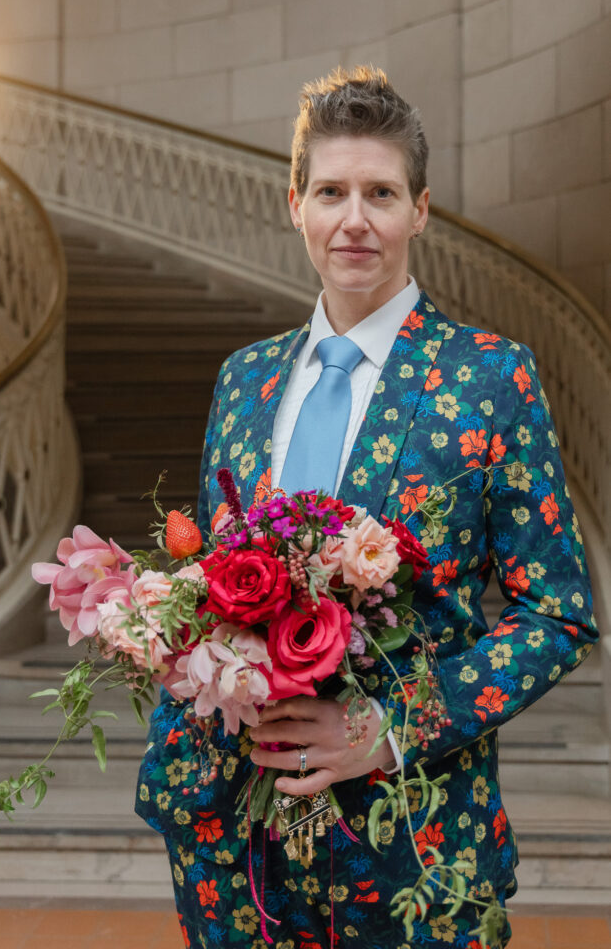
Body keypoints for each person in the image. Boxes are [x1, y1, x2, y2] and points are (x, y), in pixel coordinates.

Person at [136, 66, 597, 949]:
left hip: (409, 846)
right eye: (332, 191)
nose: (355, 218)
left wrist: (390, 727)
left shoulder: (491, 378)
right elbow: (210, 597)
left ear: (419, 210)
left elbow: (558, 616)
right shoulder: (244, 380)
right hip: (234, 847)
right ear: (295, 205)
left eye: (380, 193)